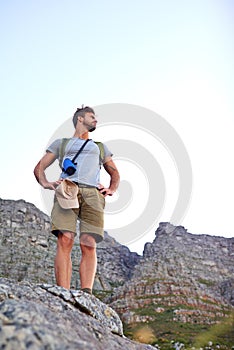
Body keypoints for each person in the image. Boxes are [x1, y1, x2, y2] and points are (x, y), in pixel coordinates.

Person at [33, 106, 120, 294]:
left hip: (92, 194)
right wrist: (46, 183)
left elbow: (114, 172)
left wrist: (111, 189)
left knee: (89, 242)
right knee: (65, 239)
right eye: (92, 117)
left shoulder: (100, 147)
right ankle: (63, 292)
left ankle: (86, 293)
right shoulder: (61, 144)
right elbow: (39, 168)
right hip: (67, 190)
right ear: (80, 119)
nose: (96, 120)